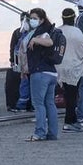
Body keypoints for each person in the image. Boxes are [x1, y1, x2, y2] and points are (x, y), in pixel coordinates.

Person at [24, 8, 59, 142]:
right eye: (30, 18)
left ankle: (39, 132)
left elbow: (49, 42)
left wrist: (35, 40)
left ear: (42, 19)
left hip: (40, 72)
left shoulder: (42, 32)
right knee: (49, 103)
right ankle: (52, 133)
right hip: (51, 72)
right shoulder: (46, 30)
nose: (32, 21)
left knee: (38, 104)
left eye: (34, 18)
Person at [56, 8, 83, 133]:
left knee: (67, 95)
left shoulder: (58, 31)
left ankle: (72, 120)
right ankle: (69, 122)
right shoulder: (76, 32)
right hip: (74, 68)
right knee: (72, 96)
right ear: (74, 18)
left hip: (59, 67)